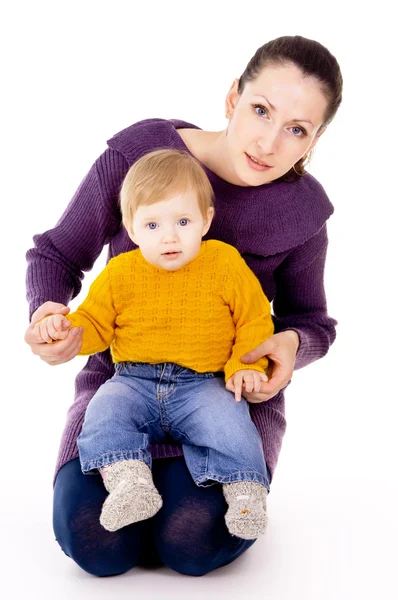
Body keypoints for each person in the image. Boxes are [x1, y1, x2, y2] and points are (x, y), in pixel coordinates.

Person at [25, 35, 343, 577]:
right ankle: (131, 478)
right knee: (96, 542)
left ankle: (226, 489)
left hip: (228, 394)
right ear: (232, 97)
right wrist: (47, 315)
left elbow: (310, 321)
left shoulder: (303, 213)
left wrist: (290, 345)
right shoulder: (140, 159)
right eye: (260, 110)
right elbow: (57, 252)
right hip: (123, 381)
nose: (268, 143)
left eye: (296, 129)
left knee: (190, 542)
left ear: (314, 139)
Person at [35, 148, 275, 540]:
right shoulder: (121, 272)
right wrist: (67, 330)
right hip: (133, 380)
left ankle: (246, 493)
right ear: (130, 228)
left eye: (183, 221)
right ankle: (130, 481)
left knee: (231, 424)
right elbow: (94, 322)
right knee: (104, 412)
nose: (169, 237)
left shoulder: (224, 263)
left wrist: (245, 367)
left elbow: (253, 319)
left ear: (206, 220)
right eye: (152, 225)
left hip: (203, 383)